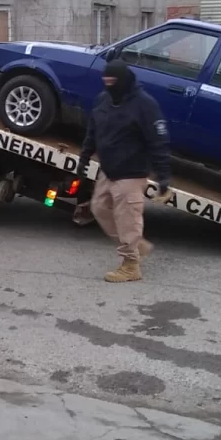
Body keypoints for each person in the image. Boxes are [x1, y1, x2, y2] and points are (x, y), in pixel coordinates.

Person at [76, 59, 171, 283]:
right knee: (98, 208)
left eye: (113, 82)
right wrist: (84, 157)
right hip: (108, 170)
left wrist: (164, 177)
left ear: (125, 80)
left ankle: (131, 266)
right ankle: (135, 244)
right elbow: (93, 131)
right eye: (106, 81)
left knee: (127, 218)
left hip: (132, 172)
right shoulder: (103, 100)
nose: (109, 85)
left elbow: (159, 141)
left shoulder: (145, 104)